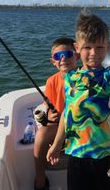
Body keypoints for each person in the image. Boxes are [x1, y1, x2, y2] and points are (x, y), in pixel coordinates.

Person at [46, 10, 110, 190]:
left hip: (109, 154)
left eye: (100, 47)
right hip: (78, 156)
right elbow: (66, 113)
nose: (94, 53)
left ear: (108, 46)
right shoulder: (69, 78)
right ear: (77, 47)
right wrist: (56, 144)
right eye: (87, 47)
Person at [34, 37, 78, 190]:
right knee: (41, 135)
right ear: (53, 61)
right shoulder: (51, 81)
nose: (63, 59)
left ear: (77, 56)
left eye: (67, 53)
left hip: (81, 126)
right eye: (58, 56)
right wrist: (49, 114)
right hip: (60, 125)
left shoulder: (85, 78)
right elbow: (48, 104)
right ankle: (40, 179)